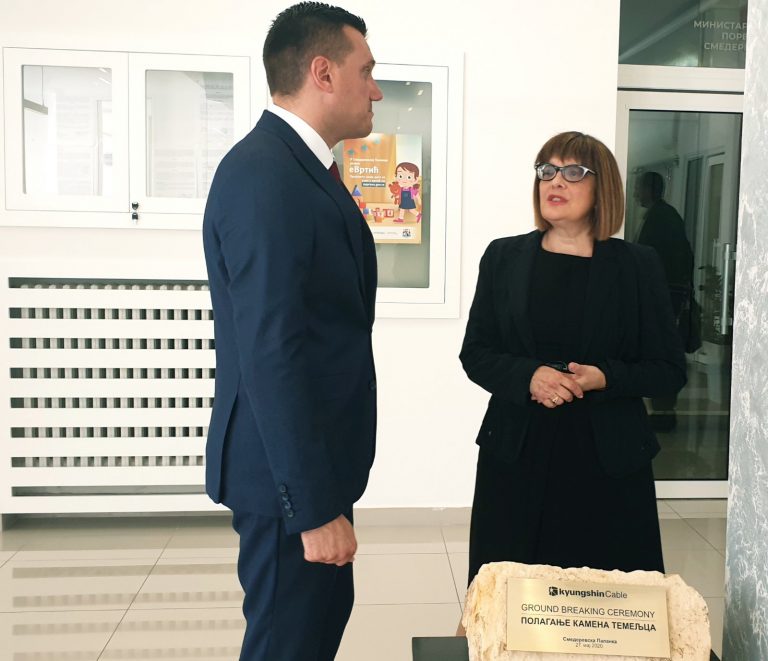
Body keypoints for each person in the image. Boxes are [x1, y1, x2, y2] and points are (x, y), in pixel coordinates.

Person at [202, 4, 382, 659]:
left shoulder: (300, 168)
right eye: (367, 71)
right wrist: (310, 507)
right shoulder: (265, 174)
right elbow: (271, 351)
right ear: (323, 73)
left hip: (312, 463)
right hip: (287, 478)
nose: (376, 90)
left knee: (314, 629)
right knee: (287, 643)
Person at [460, 132, 686, 585]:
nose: (555, 181)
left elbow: (668, 369)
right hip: (518, 453)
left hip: (608, 459)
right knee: (510, 597)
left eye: (573, 172)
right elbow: (477, 353)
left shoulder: (638, 265)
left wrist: (605, 377)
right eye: (546, 170)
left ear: (603, 187)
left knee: (607, 601)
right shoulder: (503, 256)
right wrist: (529, 375)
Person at [635, 170, 697, 430]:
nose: (636, 193)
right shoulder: (662, 215)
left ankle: (664, 412)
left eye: (639, 188)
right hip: (666, 294)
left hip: (665, 296)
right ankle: (662, 411)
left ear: (650, 189)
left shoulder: (661, 218)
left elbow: (656, 261)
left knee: (662, 351)